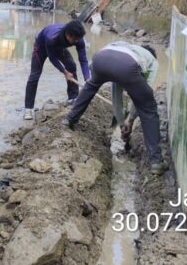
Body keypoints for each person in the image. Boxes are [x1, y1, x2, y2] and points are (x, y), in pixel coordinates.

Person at [62, 41, 167, 175]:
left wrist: (122, 122)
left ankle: (69, 119)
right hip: (126, 67)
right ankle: (157, 162)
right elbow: (141, 100)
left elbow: (116, 96)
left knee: (90, 87)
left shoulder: (126, 47)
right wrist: (130, 121)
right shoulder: (152, 62)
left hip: (99, 59)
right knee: (149, 108)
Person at [23, 20, 90, 120]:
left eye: (78, 39)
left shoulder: (78, 39)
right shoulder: (52, 38)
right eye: (75, 39)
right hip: (41, 47)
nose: (77, 41)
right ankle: (28, 109)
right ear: (68, 35)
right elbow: (52, 58)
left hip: (59, 47)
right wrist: (65, 72)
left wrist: (87, 78)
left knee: (71, 65)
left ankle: (72, 98)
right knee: (34, 75)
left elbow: (83, 60)